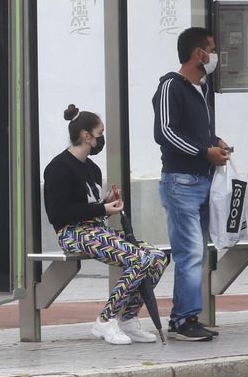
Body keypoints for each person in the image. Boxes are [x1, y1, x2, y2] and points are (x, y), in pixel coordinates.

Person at [44, 105, 170, 345]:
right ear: (86, 136)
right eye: (99, 134)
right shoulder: (58, 168)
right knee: (139, 259)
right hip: (72, 233)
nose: (101, 139)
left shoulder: (91, 168)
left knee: (157, 256)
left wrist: (106, 203)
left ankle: (128, 319)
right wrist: (102, 209)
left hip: (97, 230)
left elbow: (88, 206)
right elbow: (61, 213)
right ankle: (105, 320)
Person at [153, 26, 230, 341]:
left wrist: (216, 142)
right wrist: (203, 151)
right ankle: (185, 320)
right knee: (191, 251)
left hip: (203, 179)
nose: (214, 56)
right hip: (181, 181)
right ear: (199, 54)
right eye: (211, 49)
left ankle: (184, 317)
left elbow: (197, 132)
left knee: (195, 250)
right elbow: (165, 133)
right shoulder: (172, 85)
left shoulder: (204, 89)